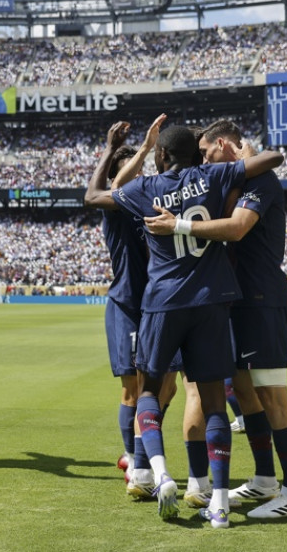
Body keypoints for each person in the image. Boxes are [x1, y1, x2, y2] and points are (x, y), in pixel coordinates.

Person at [85, 117, 284, 527]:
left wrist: (128, 150)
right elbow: (274, 158)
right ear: (196, 155)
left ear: (161, 154)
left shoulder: (145, 188)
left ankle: (157, 474)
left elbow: (94, 196)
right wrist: (241, 153)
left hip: (162, 302)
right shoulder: (212, 175)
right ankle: (220, 504)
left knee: (149, 392)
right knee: (213, 401)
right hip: (212, 302)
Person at [144, 118, 287, 519]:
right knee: (246, 393)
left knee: (272, 394)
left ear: (222, 145)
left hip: (260, 297)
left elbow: (236, 230)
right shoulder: (230, 180)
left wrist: (177, 224)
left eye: (206, 153)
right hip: (237, 299)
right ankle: (266, 481)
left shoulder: (260, 180)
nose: (202, 161)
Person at [90, 120, 181, 499]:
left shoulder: (148, 198)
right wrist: (138, 149)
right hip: (129, 303)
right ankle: (137, 461)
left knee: (168, 387)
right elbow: (109, 189)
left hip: (161, 303)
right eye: (132, 170)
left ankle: (140, 455)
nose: (138, 175)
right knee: (135, 389)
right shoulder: (116, 206)